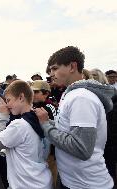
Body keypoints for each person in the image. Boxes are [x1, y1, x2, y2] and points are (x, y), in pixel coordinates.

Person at [35, 46, 115, 189]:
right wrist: (48, 120)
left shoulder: (81, 98)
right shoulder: (72, 94)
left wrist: (46, 125)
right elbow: (68, 130)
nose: (51, 74)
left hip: (86, 184)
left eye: (55, 68)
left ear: (72, 66)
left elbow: (81, 148)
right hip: (75, 181)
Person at [0, 80, 52, 189]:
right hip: (42, 181)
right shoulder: (42, 119)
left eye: (9, 100)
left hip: (25, 184)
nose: (7, 105)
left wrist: (3, 116)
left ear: (21, 97)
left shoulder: (20, 125)